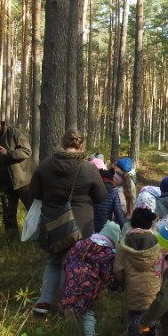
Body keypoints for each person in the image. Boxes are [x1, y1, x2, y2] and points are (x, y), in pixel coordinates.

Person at [28, 129, 108, 315]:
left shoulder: (45, 165)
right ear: (81, 145)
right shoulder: (89, 168)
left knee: (53, 261)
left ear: (63, 144)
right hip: (81, 223)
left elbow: (34, 193)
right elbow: (101, 195)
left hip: (52, 222)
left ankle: (44, 301)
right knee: (74, 264)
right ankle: (69, 303)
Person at [61, 221, 122, 336]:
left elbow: (66, 261)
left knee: (69, 308)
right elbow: (107, 276)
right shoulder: (107, 253)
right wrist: (116, 285)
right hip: (87, 288)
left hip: (70, 283)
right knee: (87, 314)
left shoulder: (80, 243)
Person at [114, 208, 162, 336]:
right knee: (150, 315)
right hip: (153, 288)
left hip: (133, 287)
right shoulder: (158, 243)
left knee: (134, 317)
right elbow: (164, 266)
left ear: (133, 223)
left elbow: (117, 269)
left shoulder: (124, 244)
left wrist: (124, 285)